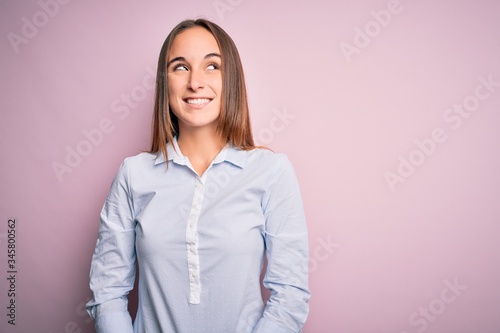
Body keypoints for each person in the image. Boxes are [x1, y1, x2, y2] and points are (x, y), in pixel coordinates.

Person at [86, 18, 310, 333]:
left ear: (231, 79)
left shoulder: (271, 172)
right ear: (165, 82)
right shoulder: (132, 175)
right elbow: (107, 292)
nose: (195, 82)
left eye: (212, 66)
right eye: (180, 67)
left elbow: (290, 295)